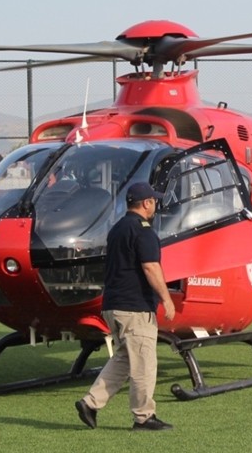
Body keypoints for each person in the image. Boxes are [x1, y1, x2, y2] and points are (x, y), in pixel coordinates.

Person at [76, 182, 177, 432]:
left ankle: (90, 403)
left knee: (123, 359)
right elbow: (151, 267)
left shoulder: (118, 229)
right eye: (154, 200)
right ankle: (144, 417)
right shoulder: (144, 231)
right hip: (136, 307)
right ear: (146, 203)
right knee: (144, 363)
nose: (156, 204)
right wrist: (167, 298)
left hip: (113, 306)